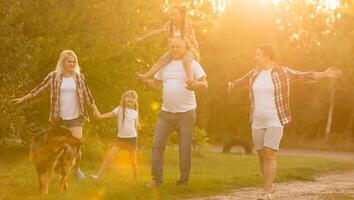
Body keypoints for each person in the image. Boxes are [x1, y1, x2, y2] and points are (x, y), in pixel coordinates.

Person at [228, 44, 342, 200]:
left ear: (267, 56)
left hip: (275, 118)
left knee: (269, 153)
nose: (255, 57)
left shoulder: (283, 72)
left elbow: (305, 75)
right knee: (261, 155)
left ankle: (267, 191)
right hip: (257, 120)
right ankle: (270, 185)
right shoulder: (254, 73)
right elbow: (240, 82)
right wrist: (232, 85)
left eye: (258, 54)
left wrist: (324, 74)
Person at [11, 50, 100, 180]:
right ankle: (61, 171)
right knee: (60, 146)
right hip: (59, 118)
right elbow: (39, 90)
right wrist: (23, 99)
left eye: (74, 61)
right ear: (63, 62)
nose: (72, 63)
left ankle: (76, 169)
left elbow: (88, 96)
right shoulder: (53, 76)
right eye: (69, 61)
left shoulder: (79, 77)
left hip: (76, 116)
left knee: (76, 145)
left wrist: (95, 110)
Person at [143, 36, 208, 188]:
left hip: (186, 113)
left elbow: (205, 83)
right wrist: (145, 80)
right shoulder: (165, 65)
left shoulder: (192, 64)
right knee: (157, 145)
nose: (175, 49)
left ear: (185, 48)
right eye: (172, 47)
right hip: (166, 113)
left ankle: (183, 181)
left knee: (184, 149)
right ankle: (156, 180)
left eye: (178, 47)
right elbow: (156, 84)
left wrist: (196, 84)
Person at [136, 4, 218, 89]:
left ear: (182, 15)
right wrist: (143, 38)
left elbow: (198, 24)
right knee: (161, 60)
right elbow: (157, 31)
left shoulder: (187, 23)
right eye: (171, 15)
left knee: (186, 60)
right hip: (174, 51)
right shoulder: (169, 25)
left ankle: (191, 81)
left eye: (175, 15)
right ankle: (145, 76)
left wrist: (211, 22)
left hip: (189, 50)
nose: (173, 17)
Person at [90, 90, 140, 181]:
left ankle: (136, 180)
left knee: (133, 161)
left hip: (132, 139)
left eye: (133, 98)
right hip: (120, 139)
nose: (131, 99)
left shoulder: (135, 113)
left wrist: (137, 140)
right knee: (109, 156)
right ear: (124, 99)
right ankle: (98, 176)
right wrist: (99, 116)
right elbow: (109, 115)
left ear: (135, 101)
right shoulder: (119, 109)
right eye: (128, 97)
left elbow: (135, 125)